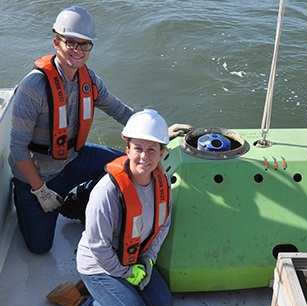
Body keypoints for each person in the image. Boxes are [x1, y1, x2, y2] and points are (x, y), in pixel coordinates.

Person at [9, 5, 191, 255]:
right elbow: (17, 149)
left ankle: (78, 200)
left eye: (85, 44)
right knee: (40, 247)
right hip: (38, 176)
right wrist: (40, 191)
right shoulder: (32, 88)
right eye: (71, 42)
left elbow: (120, 111)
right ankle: (25, 199)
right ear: (56, 42)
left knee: (128, 162)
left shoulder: (89, 79)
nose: (78, 50)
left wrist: (158, 132)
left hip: (73, 161)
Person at [47, 109, 174, 306]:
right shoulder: (107, 192)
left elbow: (163, 224)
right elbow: (98, 247)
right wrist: (126, 273)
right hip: (99, 264)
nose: (144, 157)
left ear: (162, 153)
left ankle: (107, 292)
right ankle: (77, 301)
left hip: (134, 256)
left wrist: (149, 258)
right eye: (138, 148)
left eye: (152, 149)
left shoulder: (162, 182)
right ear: (128, 149)